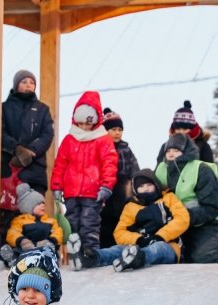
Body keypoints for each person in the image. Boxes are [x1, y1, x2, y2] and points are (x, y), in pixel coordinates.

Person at [67, 168, 189, 272]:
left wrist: (160, 236)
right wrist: (139, 240)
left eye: (149, 185)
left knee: (158, 248)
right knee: (117, 249)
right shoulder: (131, 207)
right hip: (138, 245)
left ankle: (137, 259)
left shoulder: (168, 198)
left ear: (156, 185)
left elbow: (182, 219)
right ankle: (89, 257)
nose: (145, 189)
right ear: (135, 190)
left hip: (168, 245)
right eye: (141, 186)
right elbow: (119, 232)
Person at [50, 91, 117, 252]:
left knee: (89, 222)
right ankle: (75, 251)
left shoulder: (102, 139)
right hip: (72, 190)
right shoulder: (69, 139)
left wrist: (106, 186)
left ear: (95, 122)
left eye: (88, 124)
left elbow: (110, 163)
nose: (84, 127)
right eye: (81, 123)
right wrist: (57, 186)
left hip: (93, 191)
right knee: (72, 221)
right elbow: (60, 164)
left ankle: (90, 252)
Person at [155, 133, 218, 263]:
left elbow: (211, 207)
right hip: (177, 223)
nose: (171, 154)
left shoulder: (200, 169)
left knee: (201, 257)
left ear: (186, 152)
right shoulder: (161, 169)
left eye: (176, 150)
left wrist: (183, 217)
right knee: (171, 255)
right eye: (168, 151)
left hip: (209, 222)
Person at [0, 69, 55, 243]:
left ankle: (36, 247)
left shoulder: (42, 109)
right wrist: (16, 149)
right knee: (9, 212)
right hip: (9, 168)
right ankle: (11, 247)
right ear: (16, 85)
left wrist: (30, 152)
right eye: (24, 82)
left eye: (31, 82)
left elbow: (47, 135)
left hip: (35, 170)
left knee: (34, 212)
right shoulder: (4, 108)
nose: (28, 85)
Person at [100, 107, 140, 248]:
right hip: (106, 189)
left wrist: (134, 188)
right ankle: (104, 249)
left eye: (120, 129)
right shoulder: (101, 147)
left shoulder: (125, 149)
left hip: (122, 191)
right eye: (113, 129)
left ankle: (121, 247)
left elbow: (135, 170)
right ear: (105, 130)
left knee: (121, 221)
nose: (117, 133)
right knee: (105, 223)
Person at [0, 183, 63, 268]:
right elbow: (12, 233)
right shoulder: (20, 221)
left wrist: (50, 241)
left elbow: (58, 232)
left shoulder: (50, 221)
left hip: (44, 248)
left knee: (50, 251)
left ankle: (48, 262)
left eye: (43, 203)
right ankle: (14, 260)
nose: (43, 205)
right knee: (18, 251)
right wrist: (22, 241)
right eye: (38, 204)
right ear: (28, 207)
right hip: (26, 249)